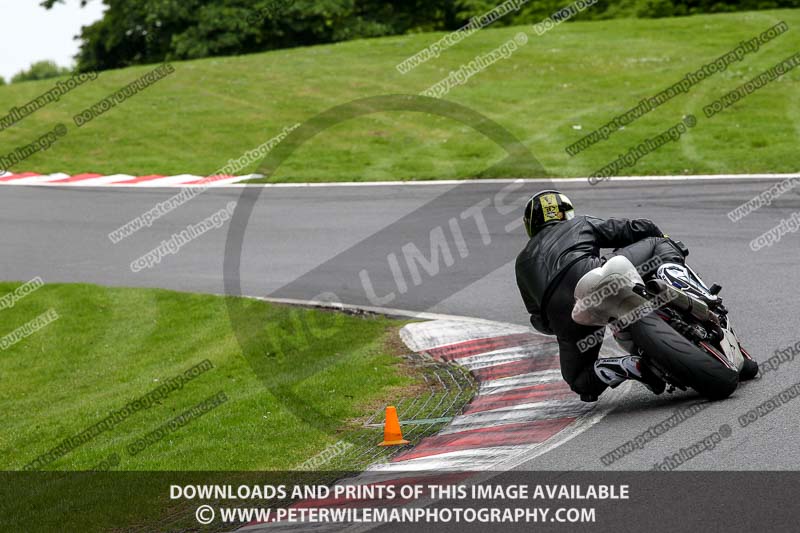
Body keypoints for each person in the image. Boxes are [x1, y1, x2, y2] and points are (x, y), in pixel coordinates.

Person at [515, 190, 687, 402]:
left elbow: (538, 319)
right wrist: (662, 238)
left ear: (530, 224)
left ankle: (629, 366)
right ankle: (680, 284)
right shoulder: (579, 223)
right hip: (591, 275)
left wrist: (563, 327)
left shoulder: (522, 261)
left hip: (564, 313)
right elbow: (637, 228)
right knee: (657, 242)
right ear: (566, 213)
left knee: (579, 381)